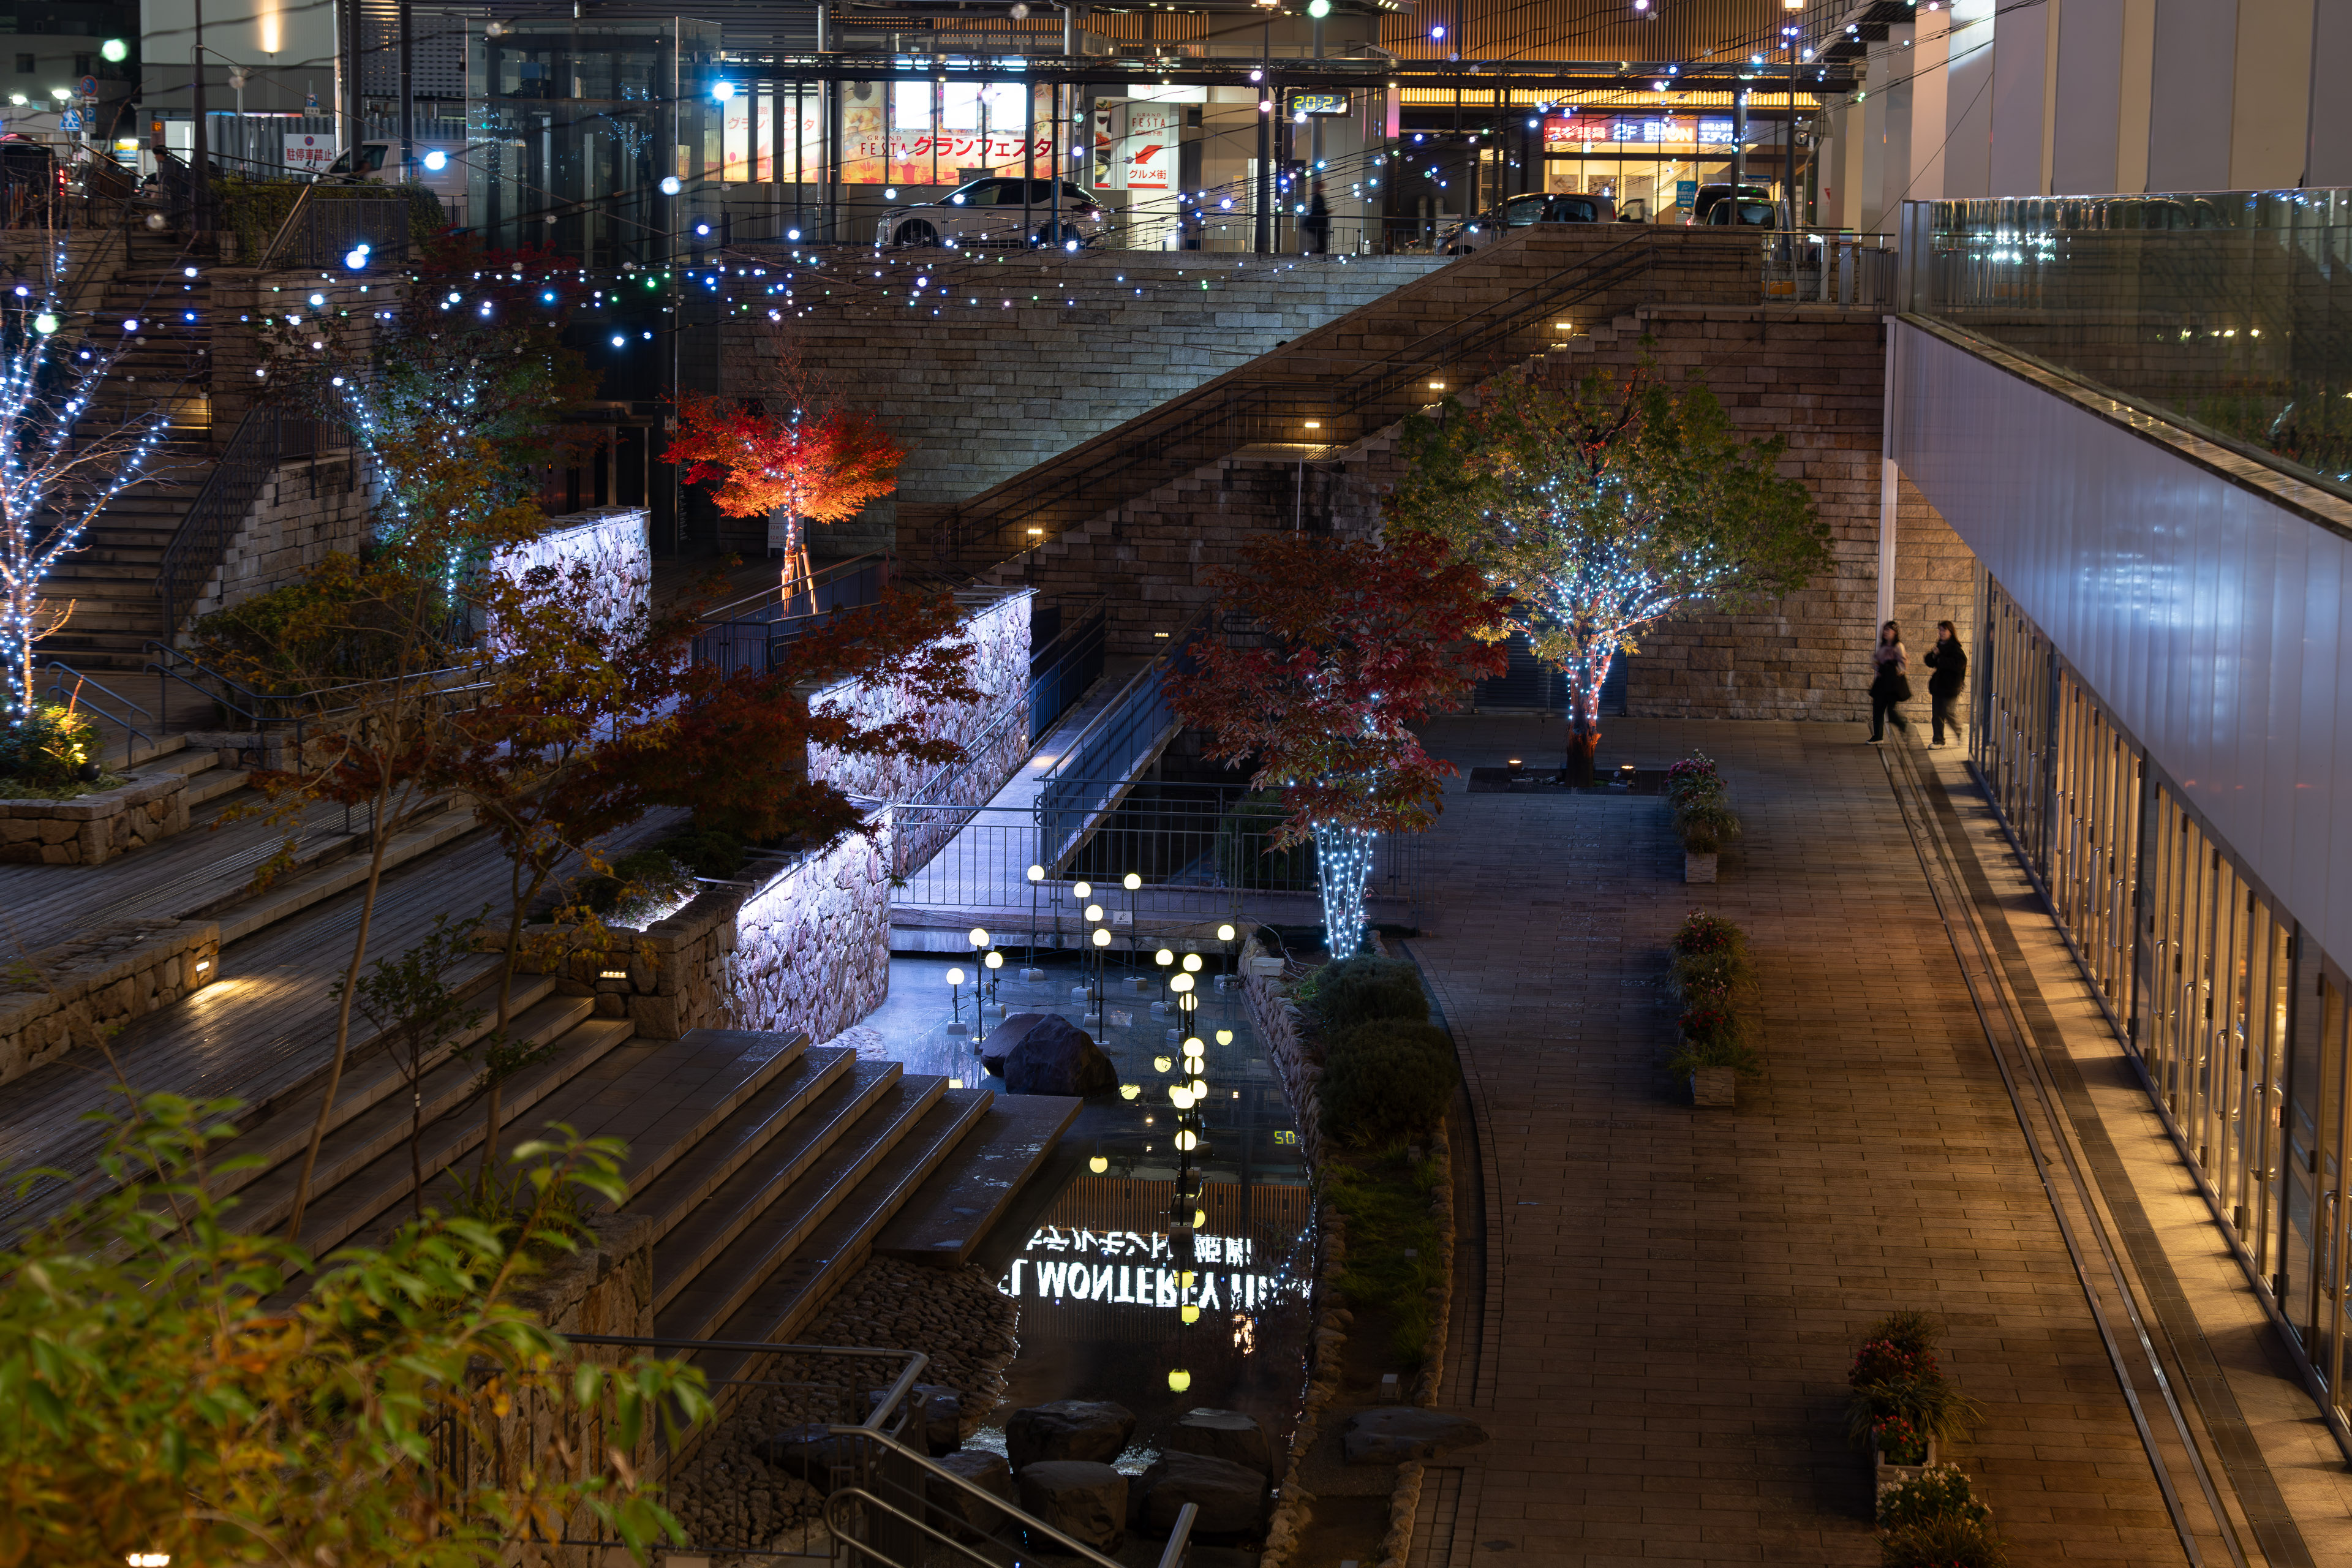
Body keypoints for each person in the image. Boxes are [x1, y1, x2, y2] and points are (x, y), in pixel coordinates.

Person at [1923, 619, 1969, 748]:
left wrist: (1940, 658)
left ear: (1951, 632)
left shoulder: (1955, 648)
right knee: (1937, 714)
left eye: (1944, 630)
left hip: (1951, 686)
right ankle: (1938, 740)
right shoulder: (1940, 646)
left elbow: (1959, 665)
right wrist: (1934, 656)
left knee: (1948, 711)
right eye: (1940, 630)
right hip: (1939, 685)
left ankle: (1960, 730)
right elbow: (1931, 661)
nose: (1941, 633)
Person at [1868, 620, 1910, 742]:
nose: (1885, 632)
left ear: (1894, 632)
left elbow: (1903, 665)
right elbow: (1877, 661)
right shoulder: (1883, 645)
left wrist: (1890, 668)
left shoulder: (1898, 646)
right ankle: (1878, 736)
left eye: (1888, 630)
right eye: (1885, 630)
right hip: (1882, 682)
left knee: (1891, 711)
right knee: (1877, 708)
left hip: (1893, 684)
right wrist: (1878, 666)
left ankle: (1904, 726)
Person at [1302, 179, 1329, 255]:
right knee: (1320, 240)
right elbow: (1318, 209)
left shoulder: (1317, 196)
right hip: (1319, 222)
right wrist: (1326, 212)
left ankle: (1317, 251)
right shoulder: (1318, 197)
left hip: (1318, 222)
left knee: (1319, 239)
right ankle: (1319, 253)